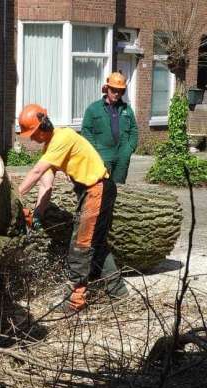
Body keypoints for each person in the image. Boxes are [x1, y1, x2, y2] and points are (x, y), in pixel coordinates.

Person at [17, 104, 127, 312]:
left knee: (81, 245)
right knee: (97, 246)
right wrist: (37, 215)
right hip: (92, 192)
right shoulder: (50, 147)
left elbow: (37, 172)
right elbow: (46, 184)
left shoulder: (63, 137)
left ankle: (75, 301)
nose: (31, 139)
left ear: (43, 126)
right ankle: (118, 293)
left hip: (98, 190)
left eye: (33, 134)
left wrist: (14, 196)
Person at [81, 72, 138, 184]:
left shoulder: (127, 109)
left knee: (119, 188)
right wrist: (95, 150)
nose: (116, 94)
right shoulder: (93, 109)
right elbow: (86, 131)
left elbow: (134, 130)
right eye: (113, 90)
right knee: (101, 187)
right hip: (102, 154)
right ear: (107, 89)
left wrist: (129, 148)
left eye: (120, 91)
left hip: (122, 155)